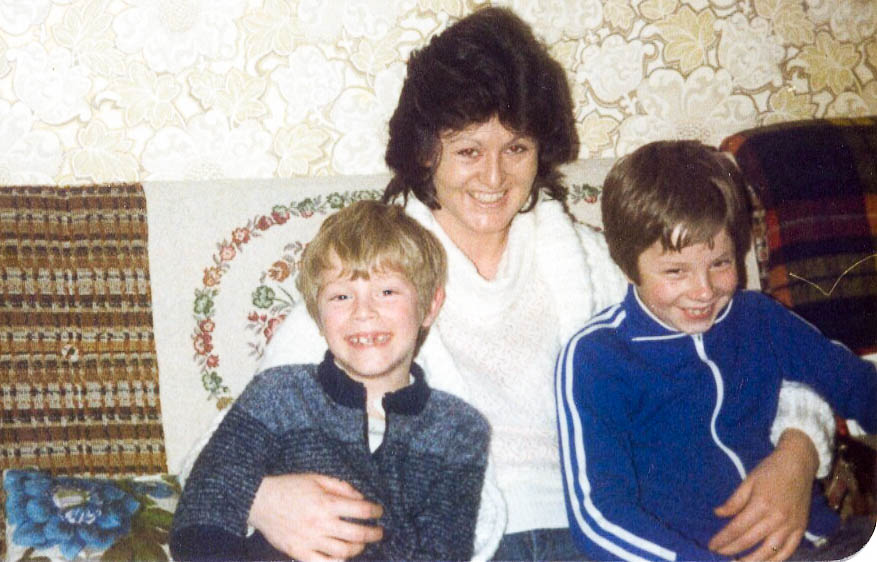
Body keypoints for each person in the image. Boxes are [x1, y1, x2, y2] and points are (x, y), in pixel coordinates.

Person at [183, 7, 839, 561]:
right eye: (467, 150)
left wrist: (799, 450)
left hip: (607, 532)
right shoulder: (371, 281)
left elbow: (751, 351)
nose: (492, 177)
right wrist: (265, 497)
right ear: (423, 153)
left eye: (516, 148)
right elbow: (211, 452)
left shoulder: (595, 266)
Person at [556, 140, 877, 561]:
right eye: (676, 271)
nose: (704, 290)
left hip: (828, 541)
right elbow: (598, 515)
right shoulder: (598, 357)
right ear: (627, 266)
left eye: (721, 263)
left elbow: (857, 385)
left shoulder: (760, 317)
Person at [170, 200, 491, 561]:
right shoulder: (279, 394)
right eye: (341, 296)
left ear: (430, 307)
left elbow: (443, 552)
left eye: (387, 292)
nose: (363, 312)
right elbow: (202, 508)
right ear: (317, 316)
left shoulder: (459, 430)